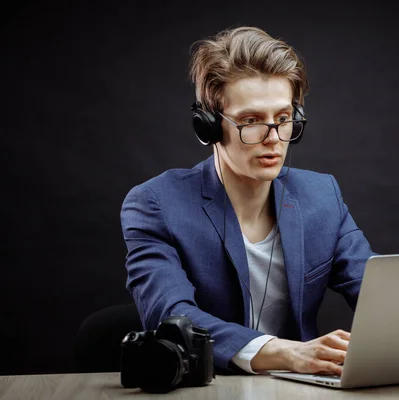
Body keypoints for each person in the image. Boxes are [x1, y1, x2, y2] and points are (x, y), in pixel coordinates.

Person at [120, 26, 374, 376]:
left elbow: (380, 294)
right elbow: (172, 316)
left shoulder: (322, 196)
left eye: (283, 119)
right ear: (208, 125)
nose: (273, 139)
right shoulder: (156, 204)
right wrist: (288, 354)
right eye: (250, 121)